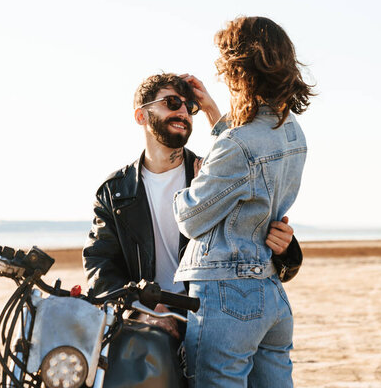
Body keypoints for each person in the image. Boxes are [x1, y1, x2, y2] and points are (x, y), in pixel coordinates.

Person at [83, 72, 303, 339]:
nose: (184, 113)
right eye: (172, 103)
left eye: (191, 107)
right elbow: (99, 264)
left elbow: (249, 237)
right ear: (141, 115)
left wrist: (285, 250)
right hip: (143, 323)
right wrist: (139, 309)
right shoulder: (115, 191)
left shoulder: (214, 176)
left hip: (210, 314)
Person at [173, 17, 315, 387]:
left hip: (227, 295)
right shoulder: (292, 131)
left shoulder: (237, 145)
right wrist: (213, 113)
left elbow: (191, 219)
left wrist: (187, 186)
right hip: (270, 293)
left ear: (240, 70)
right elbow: (251, 171)